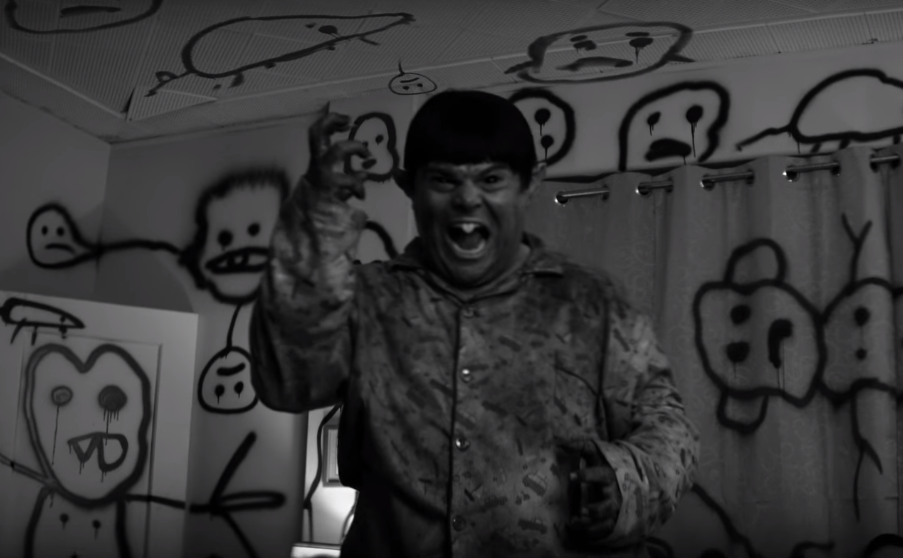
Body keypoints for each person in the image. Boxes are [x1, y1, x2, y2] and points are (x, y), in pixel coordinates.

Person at [249, 89, 699, 557]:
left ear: (530, 183)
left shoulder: (592, 305)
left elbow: (670, 429)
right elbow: (286, 381)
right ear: (408, 186)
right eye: (444, 180)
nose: (467, 198)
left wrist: (625, 483)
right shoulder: (365, 301)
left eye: (491, 179)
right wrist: (319, 215)